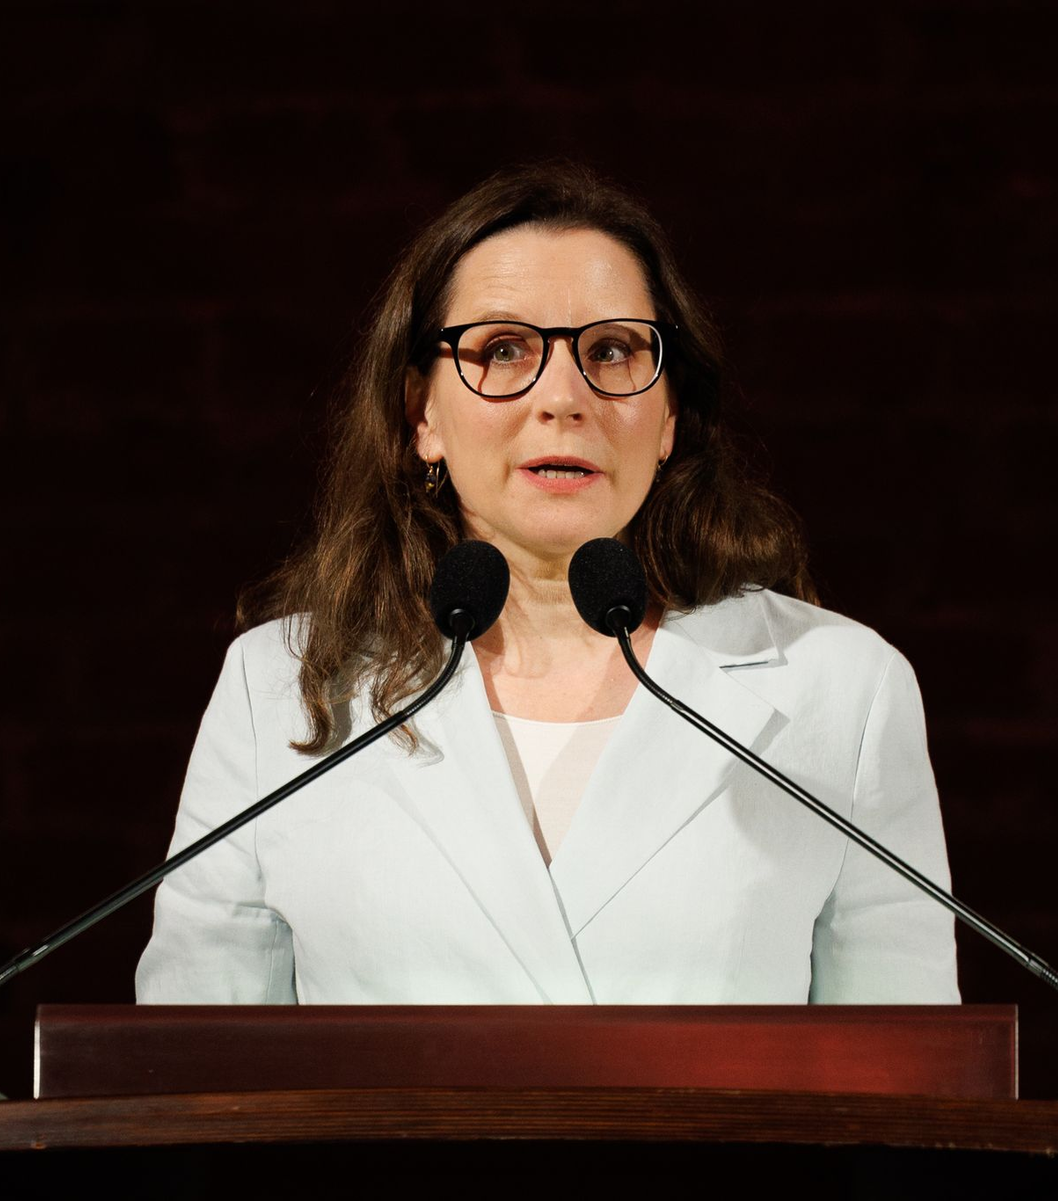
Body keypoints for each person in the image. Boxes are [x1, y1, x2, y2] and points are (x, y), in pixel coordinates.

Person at [135, 163, 959, 1006]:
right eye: (502, 350)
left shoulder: (844, 691)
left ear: (670, 413)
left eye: (611, 350)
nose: (563, 398)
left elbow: (905, 1092)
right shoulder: (277, 688)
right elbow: (198, 1085)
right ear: (422, 415)